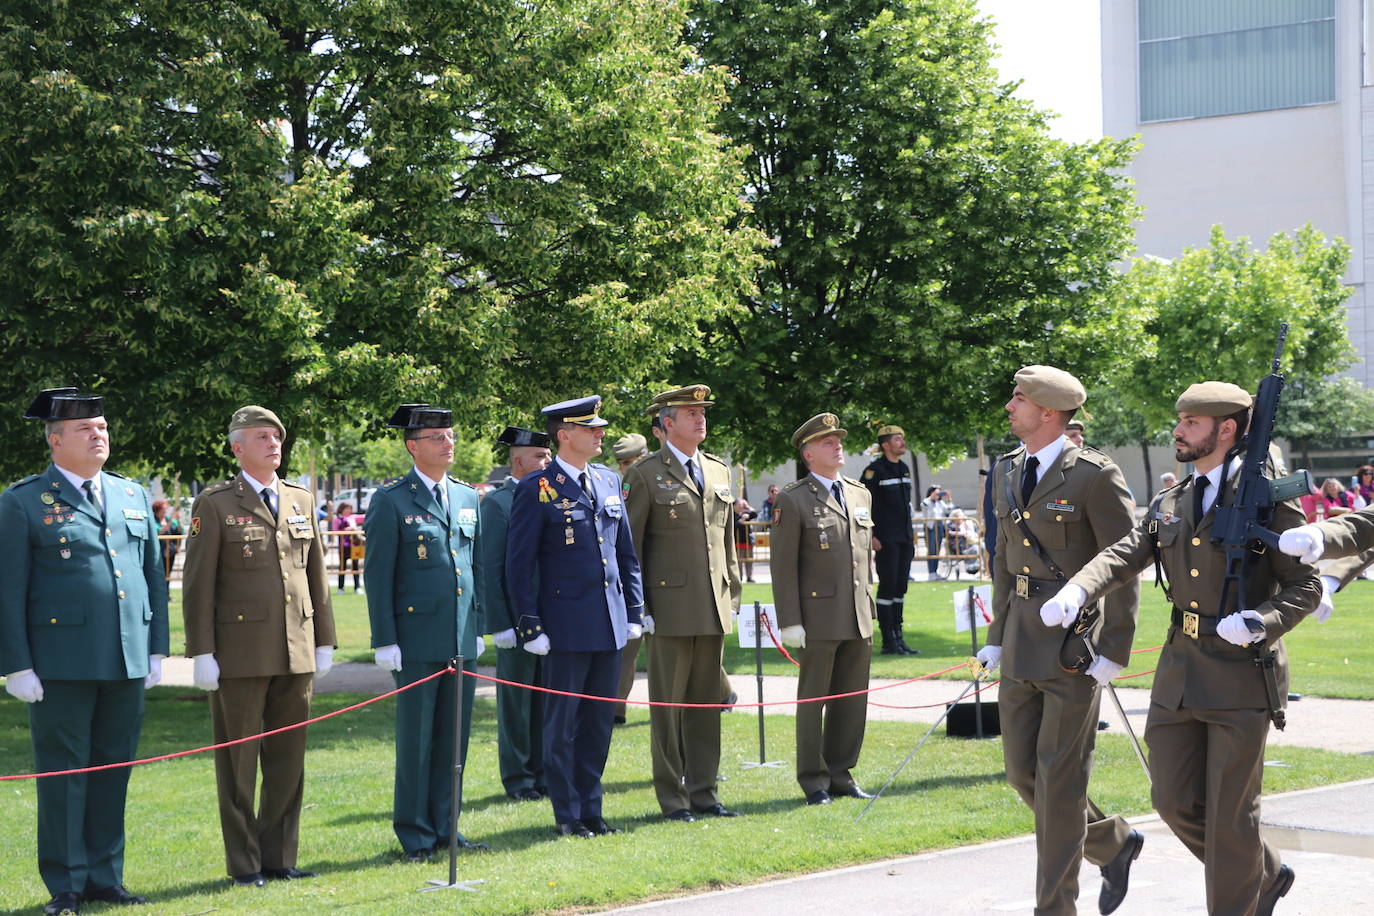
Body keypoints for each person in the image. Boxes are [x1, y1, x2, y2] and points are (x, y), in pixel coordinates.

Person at [1050, 381, 1317, 916]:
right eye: (1180, 420)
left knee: (1230, 818)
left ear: (1226, 430)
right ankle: (1262, 873)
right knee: (1171, 801)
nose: (1178, 430)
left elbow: (1306, 586)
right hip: (1180, 671)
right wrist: (1079, 586)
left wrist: (1262, 621)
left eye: (1191, 422)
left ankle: (1240, 894)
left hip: (1243, 674)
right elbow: (1130, 549)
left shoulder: (1269, 497)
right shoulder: (1174, 498)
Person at [975, 365, 1143, 916]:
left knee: (1058, 781)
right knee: (1023, 773)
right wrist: (997, 635)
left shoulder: (1094, 475)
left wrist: (1115, 646)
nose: (1009, 407)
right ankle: (1112, 843)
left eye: (1018, 399)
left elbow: (1124, 561)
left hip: (1073, 646)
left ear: (1048, 413)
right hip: (1021, 640)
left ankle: (1055, 909)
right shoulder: (1004, 471)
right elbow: (1002, 560)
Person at [0, 388, 169, 916]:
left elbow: (150, 579)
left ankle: (105, 877)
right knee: (64, 775)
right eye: (85, 429)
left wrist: (156, 649)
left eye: (102, 427)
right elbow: (7, 589)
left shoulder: (130, 494)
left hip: (124, 657)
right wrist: (15, 665)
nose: (100, 435)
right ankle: (67, 885)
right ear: (55, 440)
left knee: (112, 771)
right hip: (60, 664)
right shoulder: (22, 501)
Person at [182, 405, 336, 888]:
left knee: (289, 761)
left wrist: (325, 639)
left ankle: (279, 856)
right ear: (237, 447)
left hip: (296, 649)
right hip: (240, 654)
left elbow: (317, 577)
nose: (274, 444)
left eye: (277, 437)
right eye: (262, 437)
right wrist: (201, 652)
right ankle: (245, 864)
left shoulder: (299, 499)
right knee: (239, 766)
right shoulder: (216, 503)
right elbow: (197, 585)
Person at [505, 395, 644, 838]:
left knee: (598, 724)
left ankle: (592, 809)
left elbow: (626, 554)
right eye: (591, 428)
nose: (600, 433)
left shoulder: (606, 481)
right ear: (565, 436)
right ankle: (567, 814)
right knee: (562, 724)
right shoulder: (537, 488)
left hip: (608, 621)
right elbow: (519, 564)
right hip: (564, 626)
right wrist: (530, 624)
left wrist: (635, 610)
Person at [364, 403, 487, 859]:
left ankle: (446, 827)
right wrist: (384, 639)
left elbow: (475, 566)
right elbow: (377, 576)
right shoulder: (391, 499)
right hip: (415, 640)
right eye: (437, 437)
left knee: (454, 740)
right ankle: (415, 833)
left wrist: (478, 623)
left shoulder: (468, 496)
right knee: (417, 739)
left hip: (460, 635)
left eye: (450, 435)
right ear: (413, 447)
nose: (448, 443)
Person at [624, 385, 741, 823]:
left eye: (702, 412)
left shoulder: (717, 471)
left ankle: (705, 794)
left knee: (706, 707)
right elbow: (631, 550)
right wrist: (641, 609)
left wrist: (733, 595)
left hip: (712, 605)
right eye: (690, 413)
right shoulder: (644, 473)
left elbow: (726, 543)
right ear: (666, 423)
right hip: (668, 610)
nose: (700, 419)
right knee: (668, 710)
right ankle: (673, 799)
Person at [772, 413, 877, 806]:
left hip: (857, 613)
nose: (837, 445)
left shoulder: (858, 492)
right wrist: (790, 621)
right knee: (813, 701)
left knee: (852, 700)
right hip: (816, 618)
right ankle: (813, 780)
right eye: (828, 441)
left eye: (838, 439)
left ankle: (841, 773)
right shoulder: (794, 498)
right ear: (808, 452)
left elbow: (862, 557)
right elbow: (783, 567)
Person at [480, 426, 554, 801]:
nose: (548, 461)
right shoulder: (498, 503)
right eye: (540, 456)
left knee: (547, 700)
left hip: (552, 615)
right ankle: (518, 777)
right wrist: (501, 624)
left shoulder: (551, 496)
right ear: (518, 460)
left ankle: (542, 773)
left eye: (548, 455)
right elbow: (490, 568)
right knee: (516, 704)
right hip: (516, 620)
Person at [861, 424, 917, 655]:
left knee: (900, 587)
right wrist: (871, 534)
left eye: (902, 438)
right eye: (897, 439)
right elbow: (862, 504)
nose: (902, 443)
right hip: (886, 539)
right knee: (888, 586)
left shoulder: (903, 468)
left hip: (904, 537)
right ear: (885, 445)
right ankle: (888, 641)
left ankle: (899, 637)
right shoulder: (874, 471)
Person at [920, 486, 951, 580]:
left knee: (937, 550)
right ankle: (931, 572)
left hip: (939, 525)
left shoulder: (940, 503)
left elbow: (948, 511)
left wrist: (949, 498)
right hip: (930, 527)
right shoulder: (927, 502)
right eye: (935, 493)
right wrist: (931, 497)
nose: (937, 495)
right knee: (931, 550)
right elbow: (923, 506)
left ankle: (935, 571)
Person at [331, 501, 362, 593]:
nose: (348, 511)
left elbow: (363, 517)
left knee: (355, 566)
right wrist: (347, 529)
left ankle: (357, 587)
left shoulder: (352, 518)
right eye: (346, 508)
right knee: (342, 567)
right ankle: (341, 588)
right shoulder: (337, 520)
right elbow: (335, 531)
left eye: (350, 509)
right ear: (341, 509)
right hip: (343, 546)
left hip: (354, 545)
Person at [734, 496, 758, 583]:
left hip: (748, 541)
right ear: (734, 506)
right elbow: (736, 525)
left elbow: (755, 514)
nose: (741, 506)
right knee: (739, 561)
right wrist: (742, 519)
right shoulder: (733, 515)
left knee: (749, 560)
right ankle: (739, 577)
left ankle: (749, 576)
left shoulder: (745, 512)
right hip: (738, 541)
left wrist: (747, 506)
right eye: (739, 504)